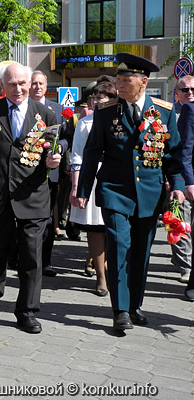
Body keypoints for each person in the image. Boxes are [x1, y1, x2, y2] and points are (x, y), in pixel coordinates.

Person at [76, 53, 185, 332]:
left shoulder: (165, 112)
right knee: (119, 246)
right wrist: (83, 189)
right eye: (118, 80)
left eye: (126, 81)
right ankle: (120, 309)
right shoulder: (106, 112)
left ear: (143, 82)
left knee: (141, 252)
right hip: (115, 191)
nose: (120, 86)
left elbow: (173, 157)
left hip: (149, 193)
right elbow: (92, 153)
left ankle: (135, 305)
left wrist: (179, 187)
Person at [0, 62, 63, 334]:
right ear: (2, 86)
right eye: (11, 84)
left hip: (31, 195)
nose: (17, 89)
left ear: (30, 85)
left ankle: (27, 310)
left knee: (31, 256)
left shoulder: (46, 113)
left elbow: (58, 143)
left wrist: (56, 157)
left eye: (22, 84)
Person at [69, 81, 118, 297]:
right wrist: (77, 187)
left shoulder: (121, 120)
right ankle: (100, 277)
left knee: (113, 228)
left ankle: (108, 267)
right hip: (93, 176)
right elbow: (77, 156)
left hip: (116, 176)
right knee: (96, 228)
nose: (96, 102)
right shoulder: (85, 123)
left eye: (102, 98)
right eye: (94, 98)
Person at [29, 70, 64, 277]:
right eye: (34, 83)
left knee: (48, 218)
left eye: (41, 83)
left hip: (49, 172)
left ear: (46, 86)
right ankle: (19, 257)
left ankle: (46, 261)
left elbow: (68, 137)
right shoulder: (22, 108)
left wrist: (59, 147)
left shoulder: (58, 110)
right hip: (25, 170)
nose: (37, 87)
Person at [172, 75, 194, 284]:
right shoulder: (171, 112)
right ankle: (186, 266)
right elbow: (182, 151)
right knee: (181, 222)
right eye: (185, 90)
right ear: (177, 94)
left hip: (187, 174)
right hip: (181, 176)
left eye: (193, 89)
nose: (190, 93)